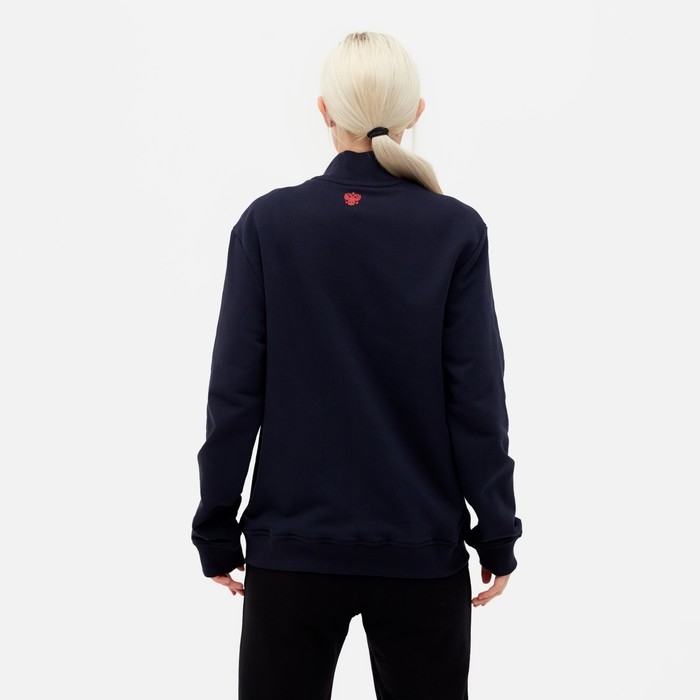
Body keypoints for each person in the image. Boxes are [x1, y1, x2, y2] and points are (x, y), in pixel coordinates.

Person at [191, 30, 522, 700]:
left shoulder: (268, 225)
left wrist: (216, 529)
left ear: (324, 111)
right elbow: (477, 401)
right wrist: (496, 532)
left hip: (292, 554)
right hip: (421, 555)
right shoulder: (455, 230)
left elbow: (234, 395)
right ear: (415, 113)